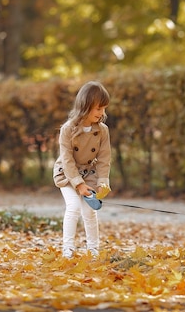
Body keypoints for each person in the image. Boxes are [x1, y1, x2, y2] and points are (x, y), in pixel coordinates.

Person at [53, 80, 112, 258]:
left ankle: (93, 251)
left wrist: (102, 181)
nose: (102, 113)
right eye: (98, 109)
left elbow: (104, 158)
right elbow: (67, 159)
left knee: (89, 211)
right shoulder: (67, 129)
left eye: (104, 109)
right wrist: (78, 184)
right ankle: (68, 250)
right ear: (85, 106)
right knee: (73, 208)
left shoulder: (102, 130)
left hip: (89, 173)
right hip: (67, 174)